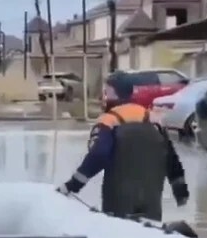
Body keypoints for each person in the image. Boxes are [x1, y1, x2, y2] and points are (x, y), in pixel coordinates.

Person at [58, 72, 189, 220]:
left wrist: (72, 185)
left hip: (119, 201)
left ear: (115, 94)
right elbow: (171, 158)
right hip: (151, 200)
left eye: (106, 92)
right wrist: (180, 191)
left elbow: (98, 155)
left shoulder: (108, 121)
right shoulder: (152, 119)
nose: (103, 97)